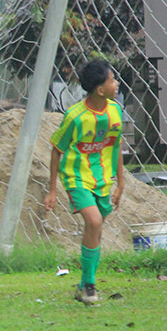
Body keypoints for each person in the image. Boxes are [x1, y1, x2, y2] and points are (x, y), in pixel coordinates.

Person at [43, 59, 125, 304]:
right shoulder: (75, 117)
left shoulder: (115, 111)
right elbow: (57, 149)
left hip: (102, 180)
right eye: (112, 79)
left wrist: (121, 183)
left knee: (96, 228)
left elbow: (117, 145)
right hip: (76, 178)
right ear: (100, 89)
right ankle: (90, 286)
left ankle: (83, 286)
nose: (117, 83)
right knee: (94, 220)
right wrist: (52, 190)